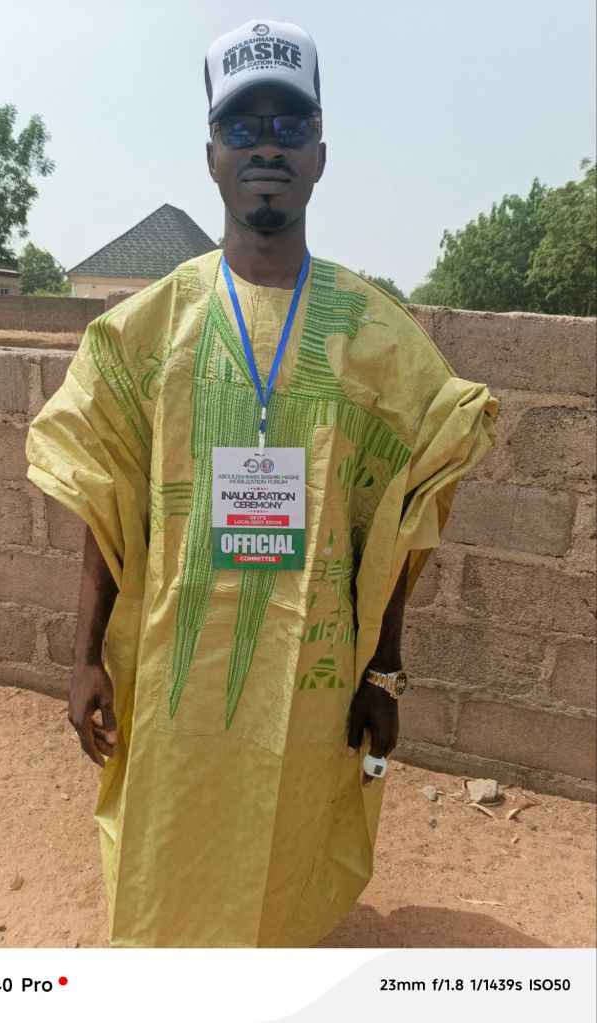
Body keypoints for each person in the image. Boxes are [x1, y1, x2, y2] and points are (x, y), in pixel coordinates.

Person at [25, 19, 499, 948]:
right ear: (212, 154)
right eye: (242, 127)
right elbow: (105, 502)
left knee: (285, 872)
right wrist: (84, 656)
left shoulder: (378, 341)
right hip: (175, 672)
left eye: (291, 124)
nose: (267, 146)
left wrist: (383, 670)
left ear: (320, 154)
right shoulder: (146, 331)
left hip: (308, 680)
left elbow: (402, 522)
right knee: (167, 855)